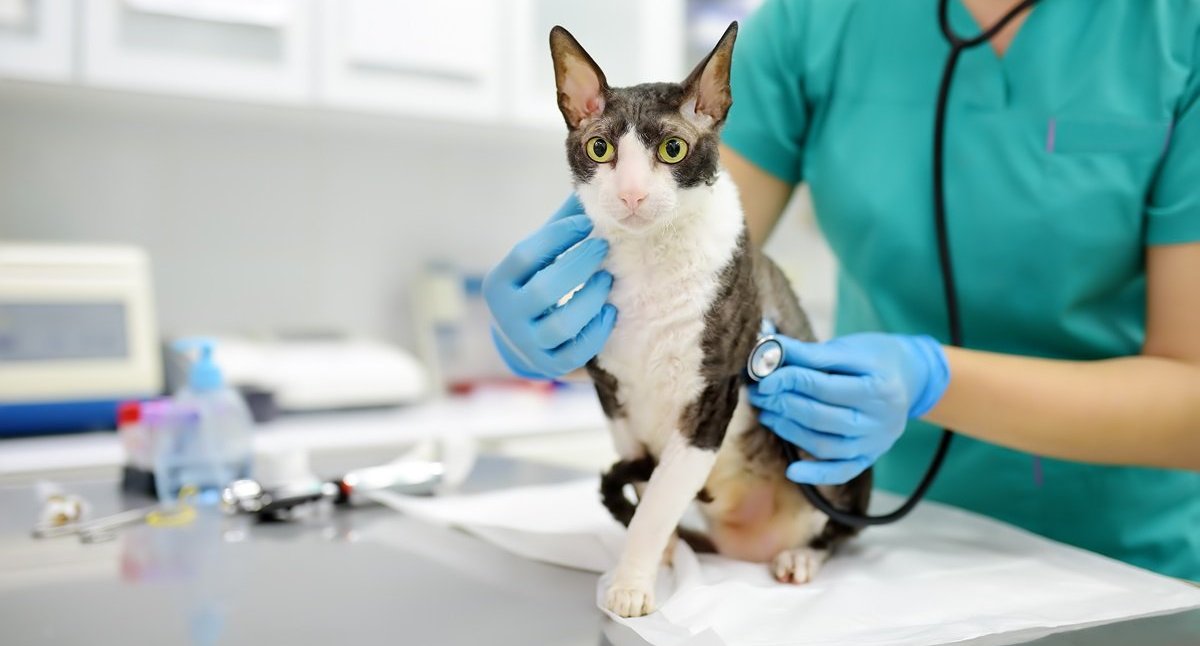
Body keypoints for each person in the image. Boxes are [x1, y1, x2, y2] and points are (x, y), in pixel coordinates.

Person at [483, 0, 1200, 580]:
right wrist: (559, 314)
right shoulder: (814, 21)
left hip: (1126, 562)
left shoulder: (1178, 30)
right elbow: (701, 261)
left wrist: (932, 380)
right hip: (868, 530)